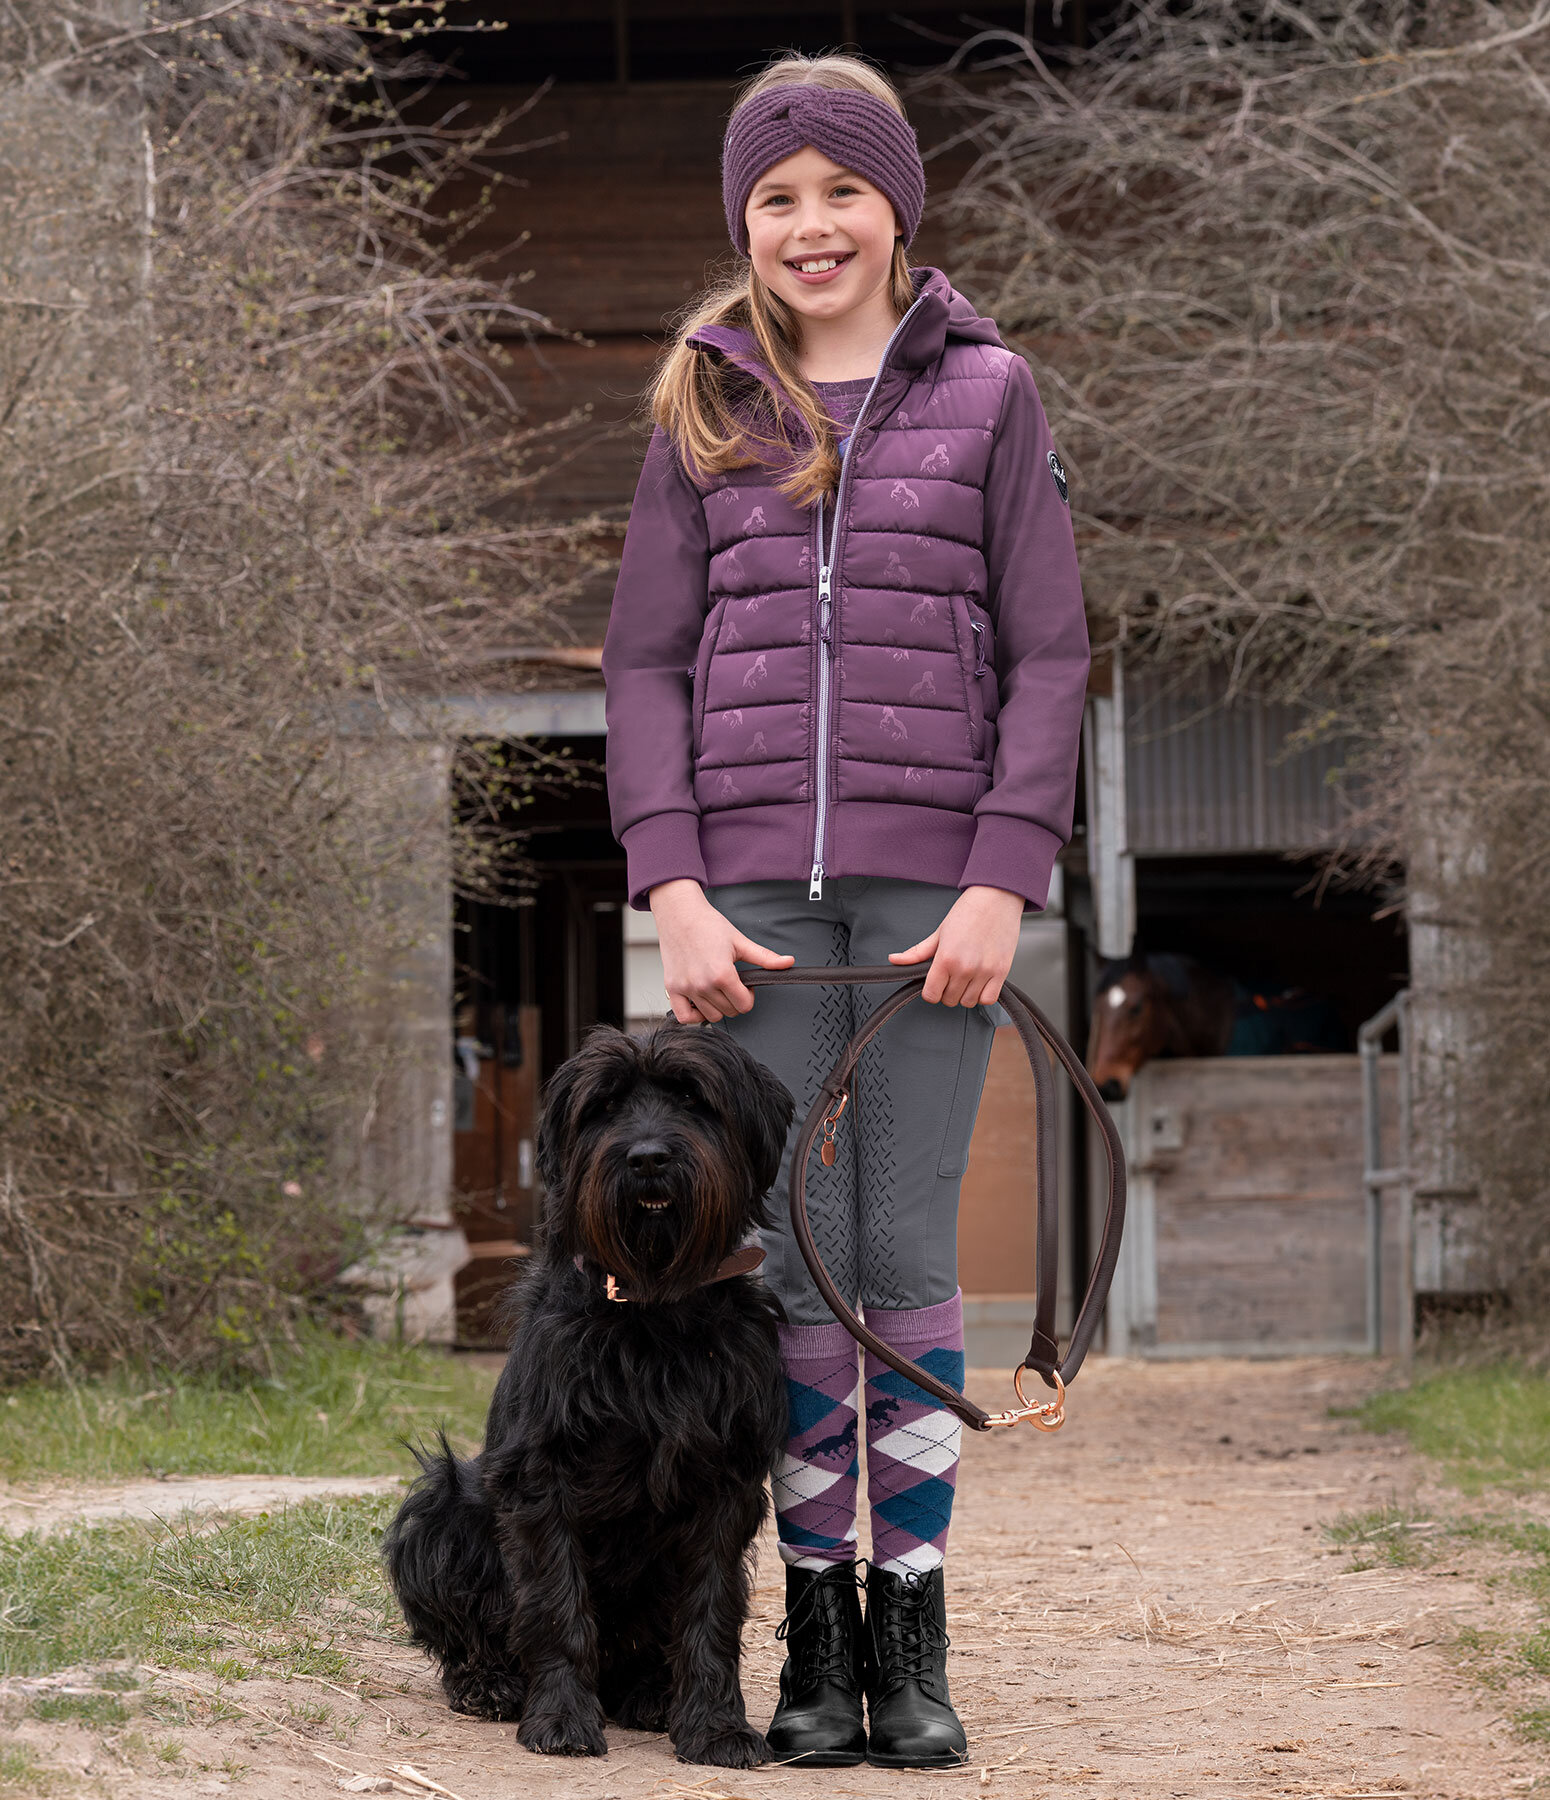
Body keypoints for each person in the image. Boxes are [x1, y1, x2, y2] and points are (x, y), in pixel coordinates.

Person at [600, 50, 1089, 1770]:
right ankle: (814, 1629)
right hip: (741, 902)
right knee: (796, 1258)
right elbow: (646, 660)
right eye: (776, 199)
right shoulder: (705, 401)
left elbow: (1049, 659)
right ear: (747, 221)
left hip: (928, 899)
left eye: (840, 193)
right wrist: (669, 879)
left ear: (898, 211)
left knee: (898, 1255)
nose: (810, 227)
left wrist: (995, 883)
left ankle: (915, 1634)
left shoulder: (992, 392)